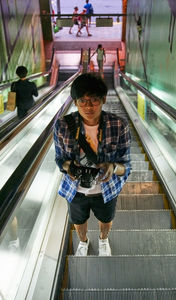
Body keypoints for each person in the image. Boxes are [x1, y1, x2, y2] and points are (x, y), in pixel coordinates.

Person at [54, 73, 131, 256]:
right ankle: (83, 241)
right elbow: (59, 160)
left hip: (107, 189)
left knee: (106, 219)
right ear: (75, 102)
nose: (88, 106)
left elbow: (126, 165)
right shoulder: (63, 125)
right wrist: (68, 167)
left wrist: (113, 168)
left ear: (103, 99)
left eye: (94, 100)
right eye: (82, 100)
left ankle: (103, 240)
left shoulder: (118, 125)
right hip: (75, 189)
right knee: (78, 221)